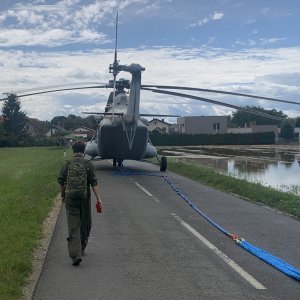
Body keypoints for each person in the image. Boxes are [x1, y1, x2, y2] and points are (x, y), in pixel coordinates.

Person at [57, 140, 103, 266]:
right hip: (85, 198)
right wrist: (99, 199)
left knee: (73, 225)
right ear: (84, 151)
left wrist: (63, 195)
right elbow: (94, 182)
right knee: (85, 224)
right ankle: (81, 248)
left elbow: (61, 181)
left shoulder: (67, 164)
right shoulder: (88, 164)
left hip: (71, 198)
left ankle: (75, 254)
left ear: (73, 150)